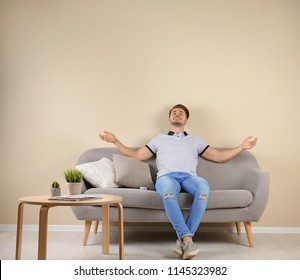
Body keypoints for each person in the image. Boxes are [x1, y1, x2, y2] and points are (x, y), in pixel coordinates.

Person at [99, 104, 257, 259]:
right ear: (169, 118)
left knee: (203, 189)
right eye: (174, 112)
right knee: (168, 194)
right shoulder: (159, 139)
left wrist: (241, 147)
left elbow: (218, 156)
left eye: (181, 113)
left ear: (186, 120)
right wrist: (116, 141)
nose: (177, 114)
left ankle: (183, 239)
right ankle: (187, 240)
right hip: (166, 177)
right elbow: (137, 155)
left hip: (190, 178)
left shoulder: (196, 140)